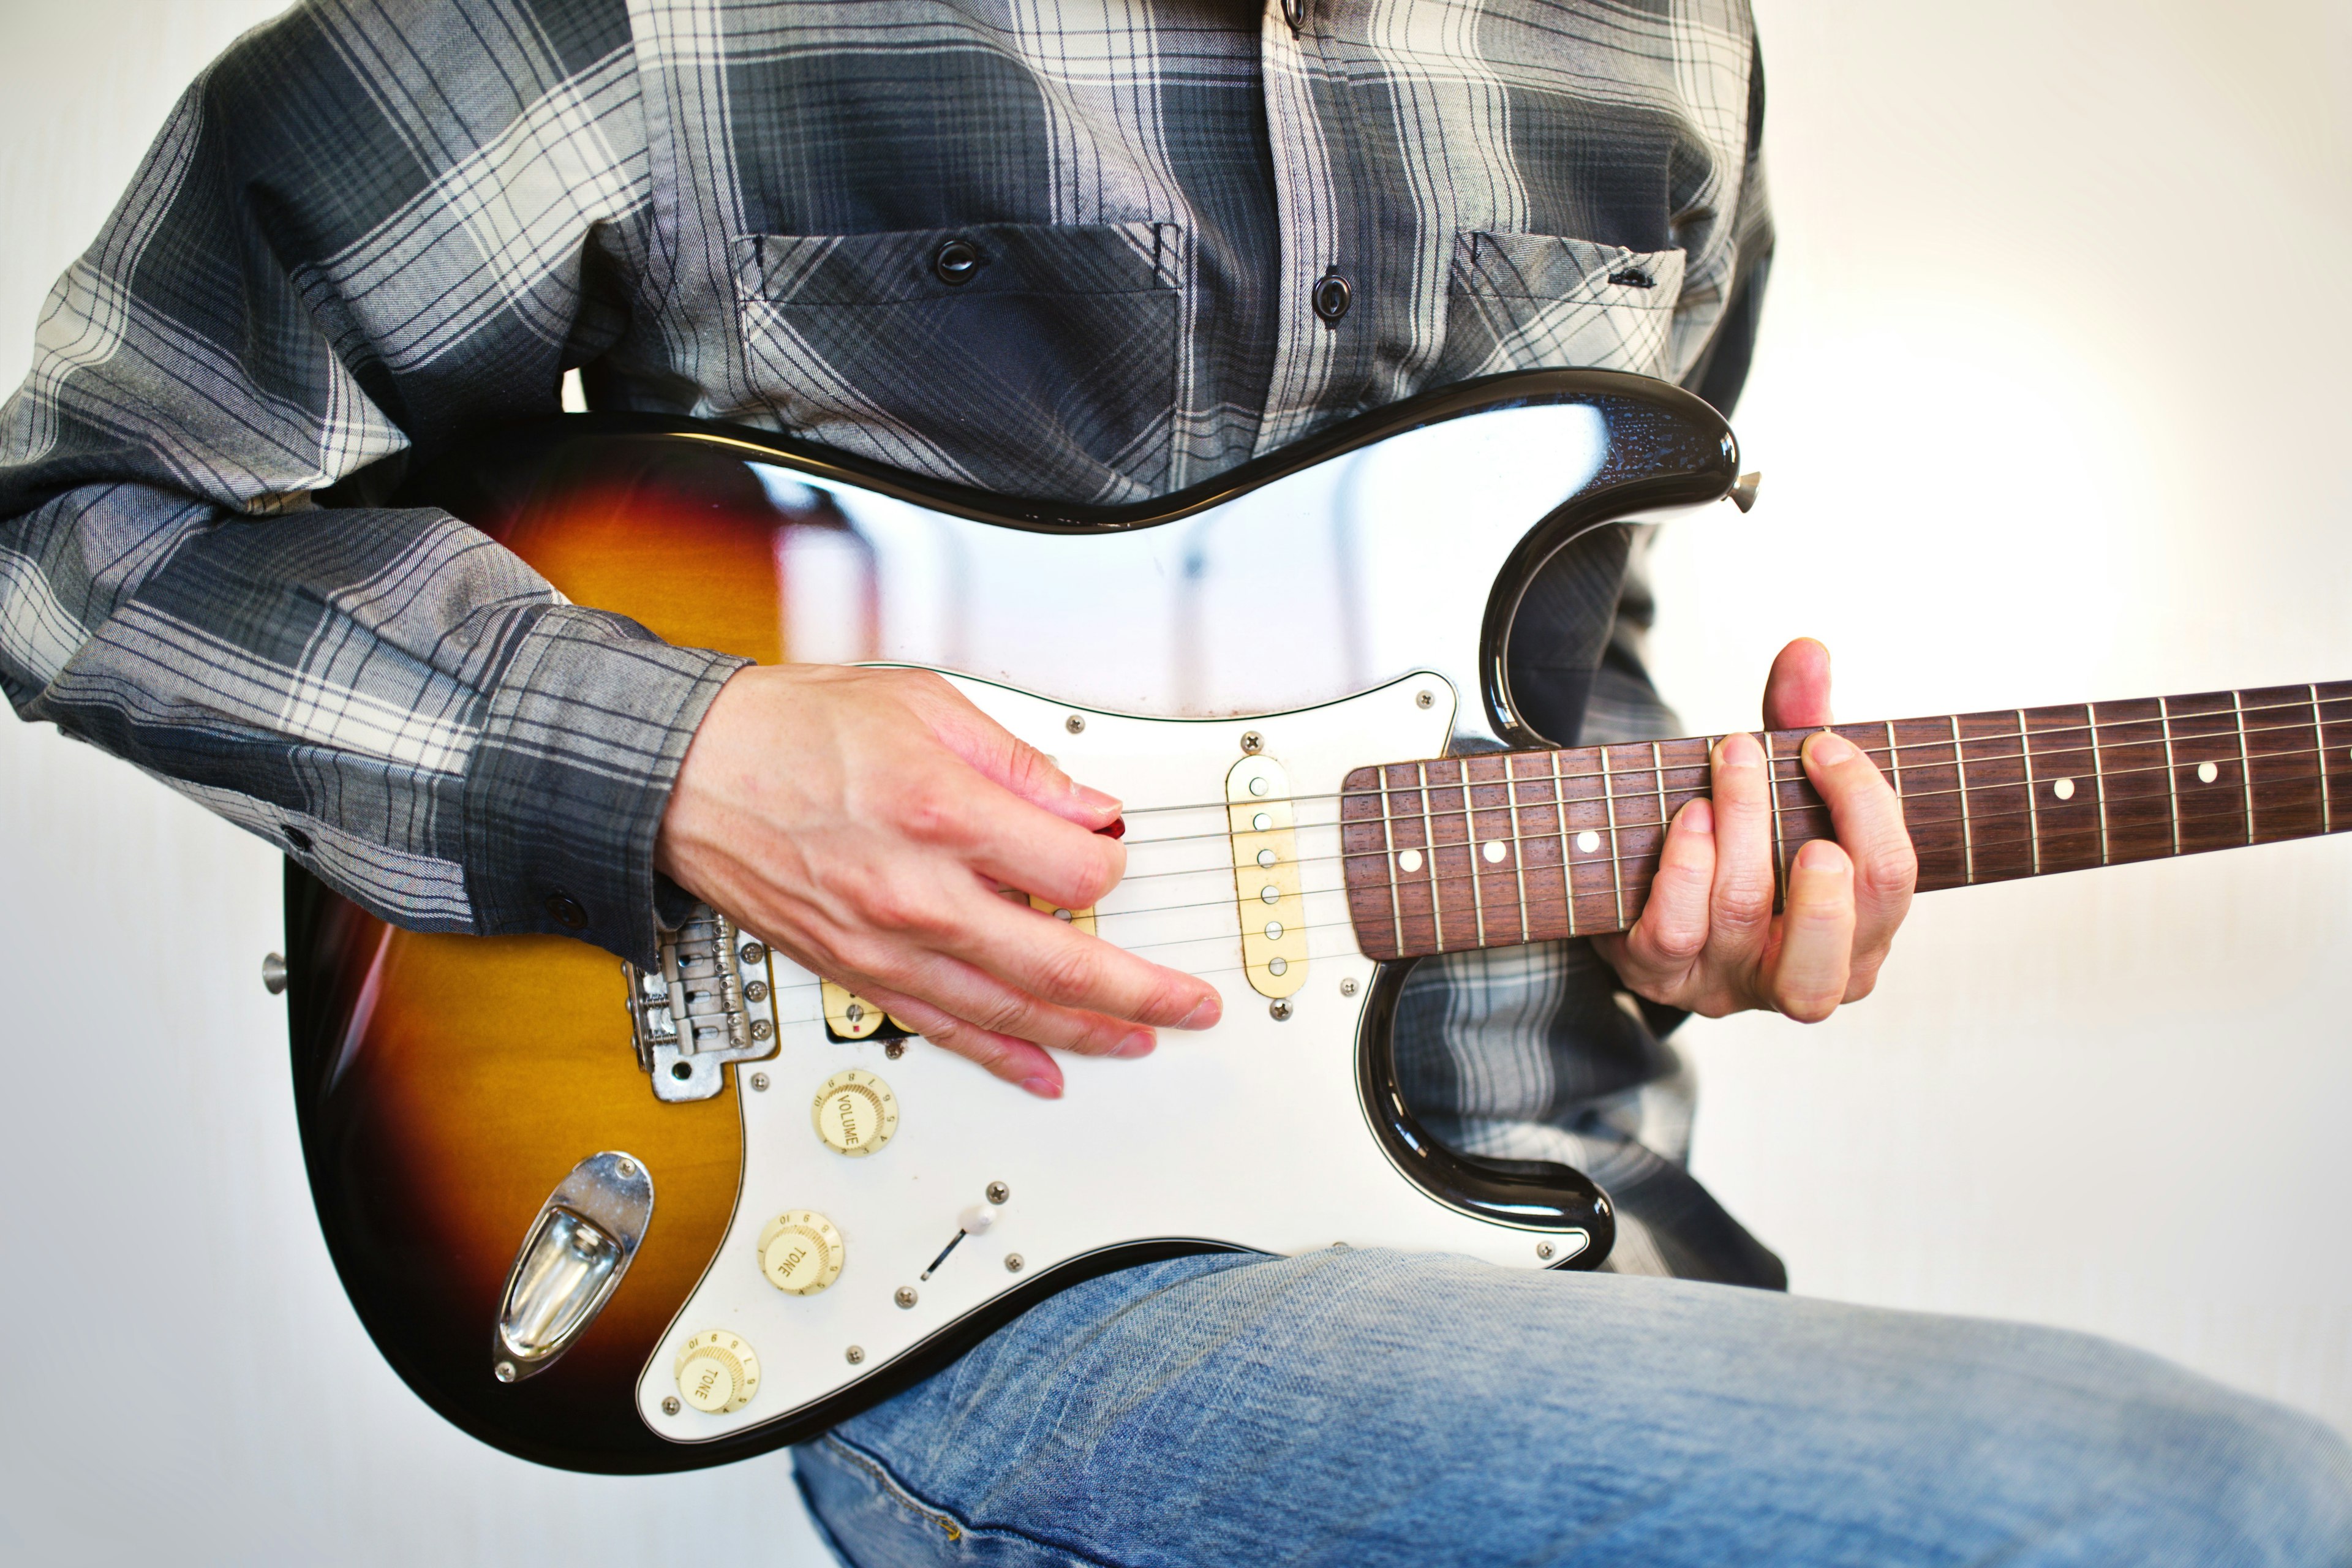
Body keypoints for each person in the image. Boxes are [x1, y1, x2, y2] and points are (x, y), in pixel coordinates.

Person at [2, 1, 2345, 1561]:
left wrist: (1693, 901)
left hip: (1583, 1239)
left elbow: (1565, 645)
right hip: (1000, 1274)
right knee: (2192, 1510)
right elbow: (81, 516)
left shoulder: (1652, 40)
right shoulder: (642, 28)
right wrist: (680, 757)